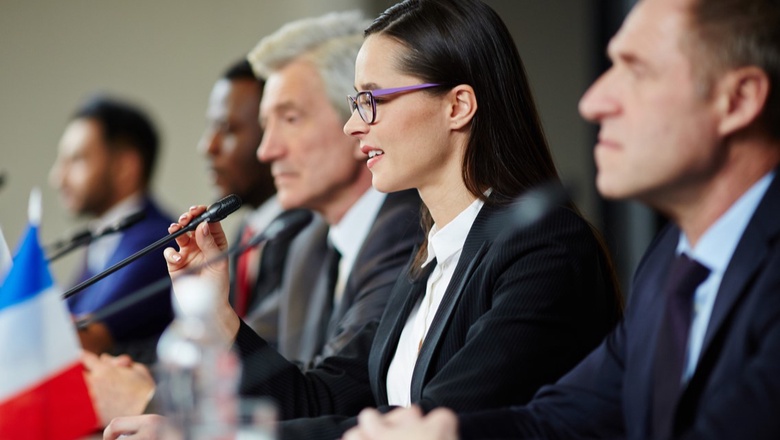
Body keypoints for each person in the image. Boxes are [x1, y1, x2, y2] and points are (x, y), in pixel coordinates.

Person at [101, 2, 623, 439]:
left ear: (458, 106)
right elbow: (320, 397)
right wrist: (216, 308)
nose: (353, 125)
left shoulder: (544, 248)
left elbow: (422, 429)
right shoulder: (431, 255)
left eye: (371, 101)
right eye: (355, 102)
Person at [342, 0, 780, 438]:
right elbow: (567, 417)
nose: (593, 102)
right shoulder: (670, 261)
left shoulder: (549, 245)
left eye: (637, 70)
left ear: (738, 100)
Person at [49, 95, 174, 364]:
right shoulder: (100, 238)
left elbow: (84, 341)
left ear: (125, 167)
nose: (57, 178)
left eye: (77, 160)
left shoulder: (156, 242)